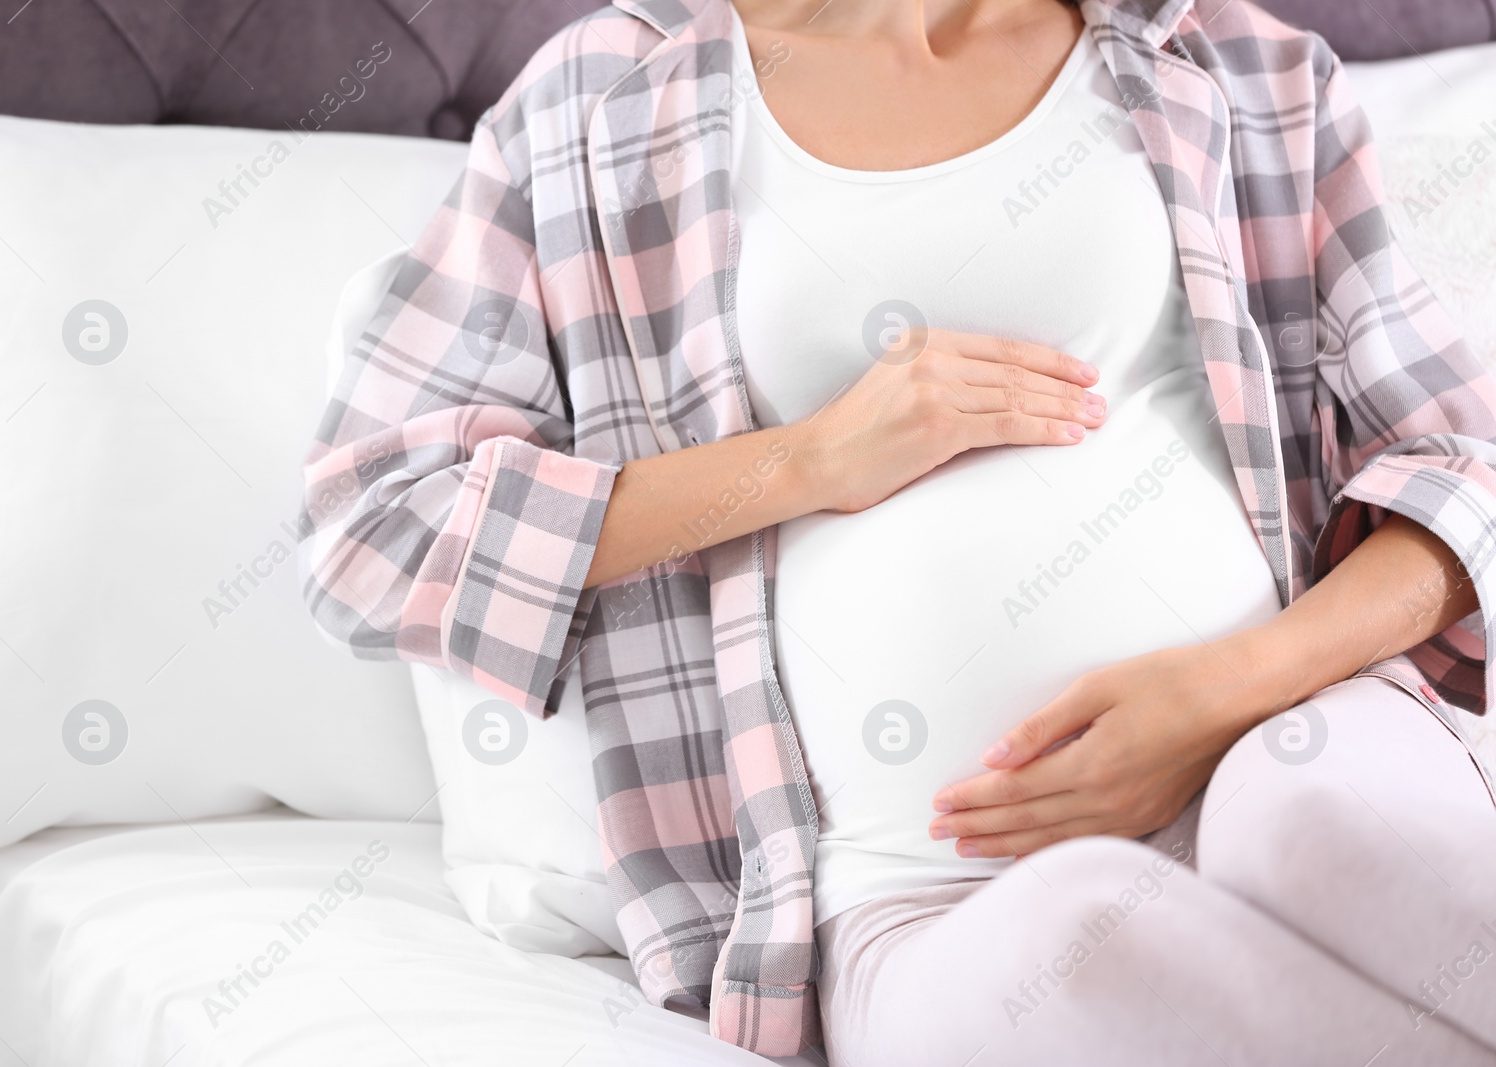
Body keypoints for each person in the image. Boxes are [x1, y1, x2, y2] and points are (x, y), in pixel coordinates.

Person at [297, 0, 1496, 1062]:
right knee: (1077, 950)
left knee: (1328, 830)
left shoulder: (1234, 63)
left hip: (1283, 739)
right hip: (912, 890)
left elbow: (1468, 472)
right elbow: (376, 529)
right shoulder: (595, 102)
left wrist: (1223, 693)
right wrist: (809, 458)